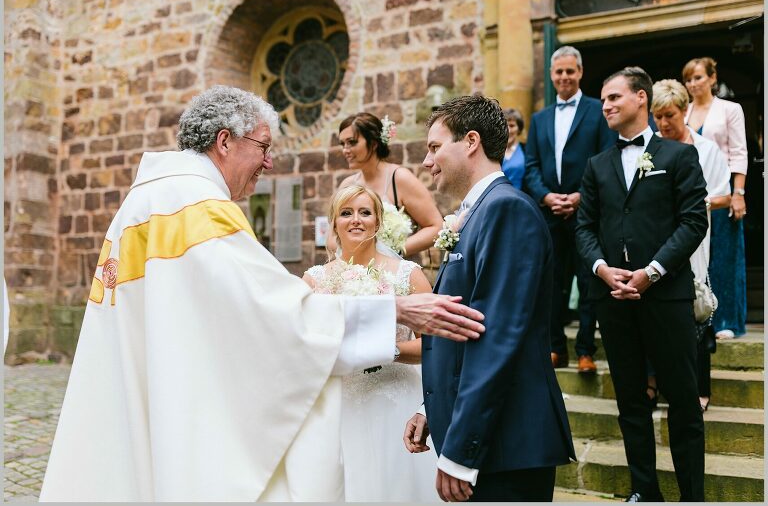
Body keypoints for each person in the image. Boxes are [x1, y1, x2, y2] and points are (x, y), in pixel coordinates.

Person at [39, 86, 485, 502]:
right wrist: (397, 309)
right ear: (225, 141)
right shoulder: (199, 208)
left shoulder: (146, 200)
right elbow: (274, 316)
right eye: (264, 147)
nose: (269, 163)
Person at [404, 94, 575, 502]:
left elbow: (496, 336)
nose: (427, 162)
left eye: (434, 147)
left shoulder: (506, 211)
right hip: (492, 438)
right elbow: (460, 326)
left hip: (506, 443)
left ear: (471, 141)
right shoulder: (479, 212)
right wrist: (434, 408)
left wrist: (463, 450)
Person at [575, 67, 708, 502]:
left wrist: (651, 272)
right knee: (631, 401)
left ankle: (692, 495)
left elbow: (693, 223)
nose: (606, 105)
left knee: (684, 402)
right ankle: (644, 492)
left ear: (640, 99)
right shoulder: (596, 166)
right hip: (612, 297)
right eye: (603, 100)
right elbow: (584, 227)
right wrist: (601, 268)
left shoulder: (679, 156)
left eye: (614, 97)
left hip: (666, 296)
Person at [302, 185, 439, 502]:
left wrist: (386, 350)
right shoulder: (314, 280)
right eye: (346, 213)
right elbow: (304, 348)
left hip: (395, 403)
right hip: (339, 406)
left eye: (365, 212)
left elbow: (436, 346)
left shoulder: (408, 275)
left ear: (379, 222)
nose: (356, 220)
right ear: (334, 222)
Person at [523, 45, 616, 373]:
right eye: (558, 72)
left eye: (570, 71)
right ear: (551, 75)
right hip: (549, 214)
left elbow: (606, 157)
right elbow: (531, 165)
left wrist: (580, 196)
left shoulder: (597, 110)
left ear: (580, 73)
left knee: (589, 282)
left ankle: (586, 350)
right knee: (550, 283)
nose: (564, 77)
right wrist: (547, 196)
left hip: (585, 211)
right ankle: (555, 347)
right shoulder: (539, 118)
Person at [651, 78, 731, 413]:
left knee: (695, 311)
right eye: (658, 116)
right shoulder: (649, 148)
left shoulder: (706, 150)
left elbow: (723, 195)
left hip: (694, 240)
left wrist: (690, 204)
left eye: (669, 115)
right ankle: (655, 381)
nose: (664, 123)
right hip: (655, 242)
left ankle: (699, 385)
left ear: (684, 111)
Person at [682, 56, 749, 340]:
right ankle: (699, 316)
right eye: (688, 79)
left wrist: (738, 193)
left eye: (698, 77)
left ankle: (726, 321)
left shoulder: (729, 109)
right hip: (689, 195)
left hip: (720, 192)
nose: (693, 83)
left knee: (723, 255)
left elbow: (739, 152)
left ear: (712, 78)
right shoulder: (681, 112)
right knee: (695, 258)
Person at [333, 112, 443, 257]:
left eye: (352, 142)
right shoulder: (346, 185)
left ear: (373, 144)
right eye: (342, 144)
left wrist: (392, 252)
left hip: (395, 271)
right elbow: (331, 236)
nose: (345, 150)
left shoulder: (400, 178)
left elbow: (436, 227)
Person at [500, 108, 526, 188]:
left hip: (521, 197)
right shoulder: (492, 151)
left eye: (512, 125)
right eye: (504, 125)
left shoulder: (527, 150)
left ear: (519, 129)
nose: (508, 130)